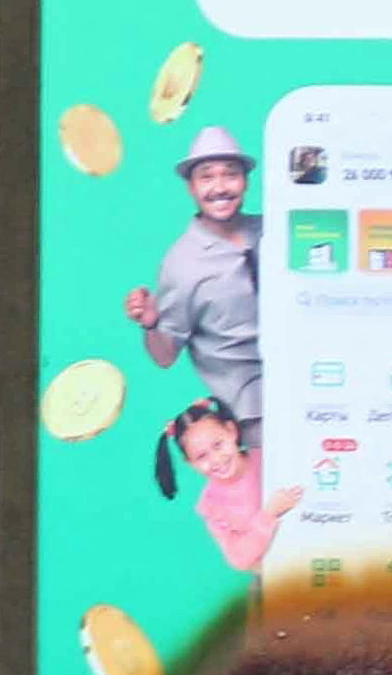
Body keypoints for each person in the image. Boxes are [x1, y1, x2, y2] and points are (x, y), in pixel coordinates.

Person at [124, 125, 261, 425]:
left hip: (305, 394)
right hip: (247, 418)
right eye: (207, 177)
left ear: (246, 182)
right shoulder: (182, 264)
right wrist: (151, 325)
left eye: (230, 174)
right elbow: (165, 356)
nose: (220, 187)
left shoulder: (272, 232)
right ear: (191, 188)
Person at [155, 396, 298, 572]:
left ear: (231, 431)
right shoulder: (211, 506)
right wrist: (268, 515)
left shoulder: (267, 456)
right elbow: (239, 558)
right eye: (201, 456)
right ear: (190, 463)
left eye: (218, 445)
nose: (216, 459)